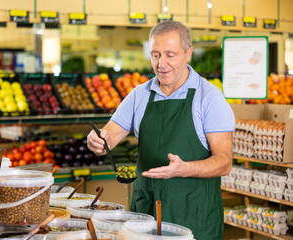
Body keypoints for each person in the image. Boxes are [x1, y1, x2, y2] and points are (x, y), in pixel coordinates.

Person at [87, 20, 235, 240]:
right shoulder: (139, 94)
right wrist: (99, 141)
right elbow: (110, 134)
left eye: (170, 55)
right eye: (155, 55)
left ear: (188, 53)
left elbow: (224, 162)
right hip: (145, 216)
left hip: (194, 217)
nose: (161, 63)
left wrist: (183, 169)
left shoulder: (209, 97)